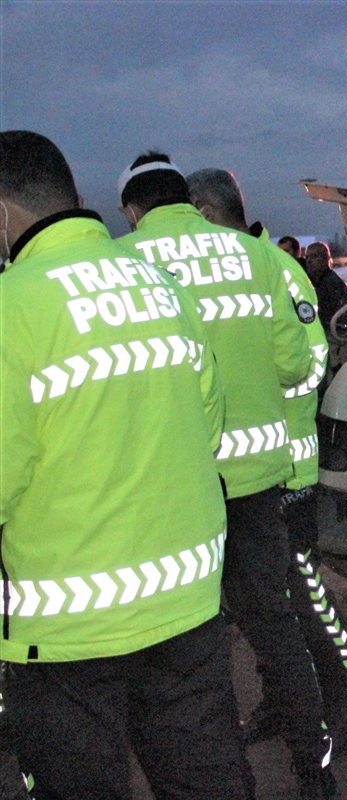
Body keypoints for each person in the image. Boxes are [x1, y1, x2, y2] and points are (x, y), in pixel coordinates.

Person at [0, 131, 252, 798]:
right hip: (185, 598)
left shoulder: (10, 307)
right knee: (205, 779)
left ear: (3, 214)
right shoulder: (160, 285)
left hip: (68, 627)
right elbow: (207, 419)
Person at [116, 152, 336, 798]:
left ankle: (226, 778)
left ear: (132, 211)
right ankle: (316, 773)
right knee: (277, 628)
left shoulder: (128, 267)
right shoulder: (261, 258)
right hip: (258, 485)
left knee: (195, 651)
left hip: (177, 492)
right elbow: (299, 366)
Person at [186, 168, 347, 754]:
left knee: (303, 596)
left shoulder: (277, 268)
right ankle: (284, 702)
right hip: (253, 473)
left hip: (286, 471)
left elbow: (308, 366)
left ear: (205, 210)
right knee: (260, 606)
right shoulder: (236, 271)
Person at [303, 240, 347, 331]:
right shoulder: (308, 282)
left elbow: (345, 317)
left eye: (314, 256)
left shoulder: (334, 283)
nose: (309, 261)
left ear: (325, 258)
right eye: (307, 257)